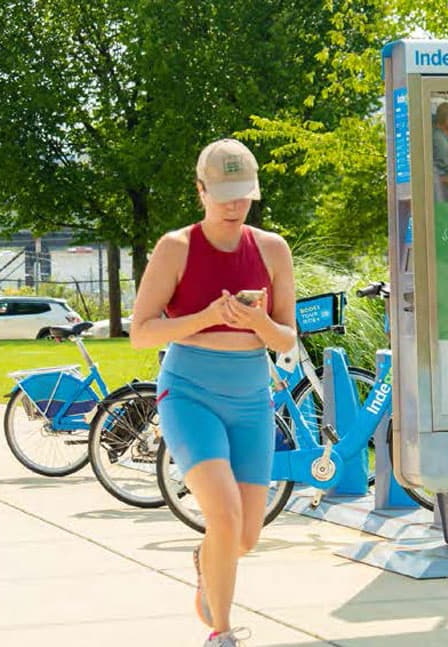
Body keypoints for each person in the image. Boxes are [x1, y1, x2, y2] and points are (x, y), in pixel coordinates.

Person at [129, 138, 296, 647]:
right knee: (222, 515)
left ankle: (207, 561)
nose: (233, 205)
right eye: (223, 194)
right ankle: (222, 633)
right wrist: (206, 317)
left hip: (251, 399)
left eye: (242, 195)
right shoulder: (175, 247)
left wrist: (258, 322)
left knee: (245, 535)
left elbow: (286, 339)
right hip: (190, 394)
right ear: (200, 190)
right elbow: (141, 332)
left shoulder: (272, 249)